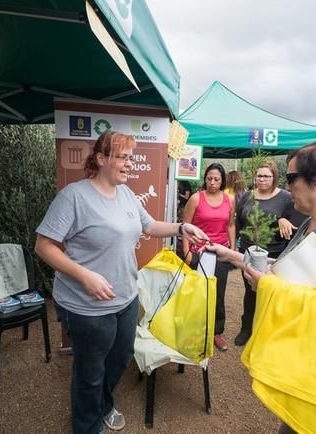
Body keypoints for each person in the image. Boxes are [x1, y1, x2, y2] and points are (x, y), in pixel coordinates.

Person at [34, 130, 208, 434]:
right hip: (87, 305)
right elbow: (44, 246)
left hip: (126, 296)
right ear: (101, 159)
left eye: (131, 157)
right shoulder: (74, 197)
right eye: (123, 157)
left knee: (121, 357)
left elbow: (150, 226)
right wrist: (84, 275)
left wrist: (182, 227)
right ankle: (87, 425)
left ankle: (102, 403)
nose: (130, 164)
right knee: (89, 371)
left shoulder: (126, 194)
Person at [209, 139, 316, 433]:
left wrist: (272, 287)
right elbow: (290, 270)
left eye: (291, 178)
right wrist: (236, 257)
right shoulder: (313, 222)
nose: (287, 187)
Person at [233, 160, 300, 347]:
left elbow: (296, 220)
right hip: (249, 252)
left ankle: (269, 332)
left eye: (266, 176)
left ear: (274, 178)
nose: (262, 179)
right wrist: (234, 248)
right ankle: (247, 329)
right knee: (250, 292)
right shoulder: (247, 196)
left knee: (272, 293)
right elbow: (239, 223)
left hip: (274, 253)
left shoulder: (286, 198)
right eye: (259, 176)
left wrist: (284, 219)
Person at [182, 162, 236, 351]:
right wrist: (188, 254)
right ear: (205, 179)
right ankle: (194, 330)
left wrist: (232, 249)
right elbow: (185, 226)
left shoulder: (229, 199)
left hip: (220, 253)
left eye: (216, 179)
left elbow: (231, 225)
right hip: (198, 252)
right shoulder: (197, 198)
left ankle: (216, 332)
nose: (212, 182)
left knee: (218, 293)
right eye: (209, 179)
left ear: (222, 181)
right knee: (197, 292)